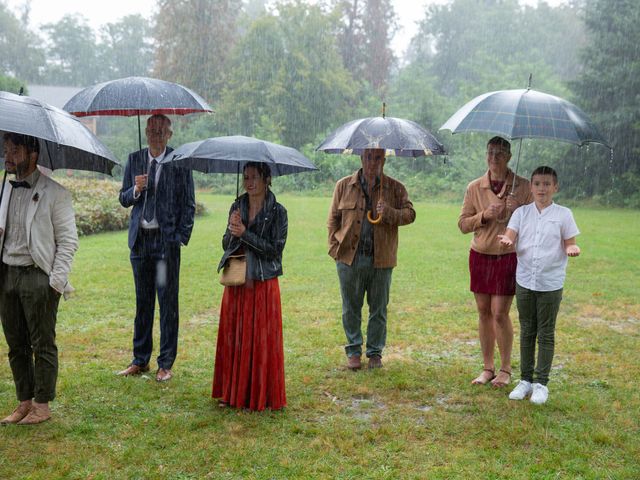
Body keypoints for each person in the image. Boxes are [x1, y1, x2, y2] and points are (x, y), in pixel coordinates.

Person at [0, 133, 78, 425]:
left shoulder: (56, 193)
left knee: (42, 344)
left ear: (33, 153)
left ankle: (42, 406)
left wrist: (54, 283)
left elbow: (69, 242)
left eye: (14, 149)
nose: (7, 155)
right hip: (7, 274)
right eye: (5, 149)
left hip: (38, 277)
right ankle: (24, 402)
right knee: (15, 344)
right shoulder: (4, 189)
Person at [118, 114, 195, 382]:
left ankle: (165, 363)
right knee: (143, 302)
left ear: (169, 135)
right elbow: (124, 199)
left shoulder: (179, 162)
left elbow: (189, 204)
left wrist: (178, 238)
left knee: (167, 302)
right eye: (151, 130)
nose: (154, 135)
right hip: (140, 245)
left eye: (160, 131)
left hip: (164, 247)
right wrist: (136, 189)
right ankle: (140, 360)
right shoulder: (134, 160)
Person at [498, 166, 580, 404]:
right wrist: (506, 239)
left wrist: (571, 248)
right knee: (527, 330)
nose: (541, 188)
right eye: (537, 184)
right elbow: (511, 234)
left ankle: (541, 383)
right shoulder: (522, 213)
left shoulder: (564, 214)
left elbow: (569, 242)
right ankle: (524, 381)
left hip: (550, 283)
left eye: (546, 184)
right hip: (525, 280)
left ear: (555, 187)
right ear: (531, 187)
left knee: (545, 333)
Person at [328, 148, 415, 370]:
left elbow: (410, 214)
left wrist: (390, 213)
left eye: (377, 158)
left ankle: (375, 353)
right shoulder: (343, 186)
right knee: (351, 307)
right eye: (368, 157)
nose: (372, 162)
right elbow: (333, 220)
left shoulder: (395, 188)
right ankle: (354, 351)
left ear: (384, 161)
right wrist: (335, 249)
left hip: (381, 259)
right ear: (361, 158)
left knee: (379, 308)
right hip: (350, 258)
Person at [212, 162, 288, 411]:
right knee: (234, 337)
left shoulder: (278, 212)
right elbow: (226, 244)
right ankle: (231, 392)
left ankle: (257, 394)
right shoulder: (237, 205)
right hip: (237, 281)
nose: (249, 182)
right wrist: (233, 231)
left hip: (262, 283)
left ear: (267, 179)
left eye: (254, 177)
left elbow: (274, 250)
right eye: (245, 177)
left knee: (259, 339)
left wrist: (244, 233)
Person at [458, 136, 532, 387]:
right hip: (480, 254)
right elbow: (462, 225)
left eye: (500, 153)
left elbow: (536, 222)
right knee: (483, 312)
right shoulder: (474, 187)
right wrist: (483, 215)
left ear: (510, 156)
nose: (494, 157)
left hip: (507, 256)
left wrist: (519, 207)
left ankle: (505, 369)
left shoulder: (523, 186)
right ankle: (487, 367)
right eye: (490, 152)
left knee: (500, 313)